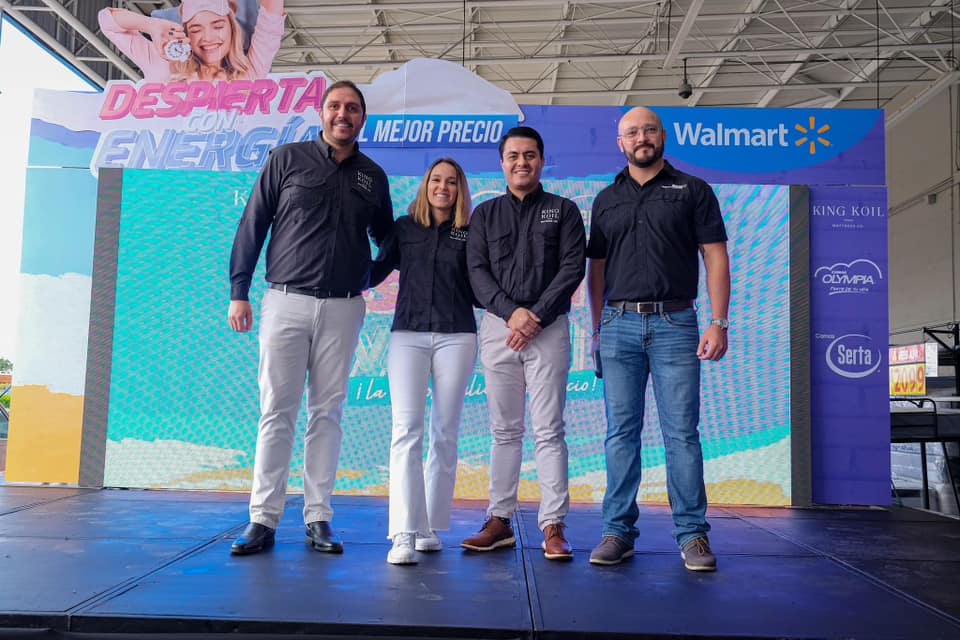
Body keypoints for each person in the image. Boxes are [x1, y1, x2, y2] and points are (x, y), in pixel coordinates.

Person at [227, 80, 394, 555]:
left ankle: (319, 517)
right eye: (335, 106)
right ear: (322, 113)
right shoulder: (287, 160)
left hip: (344, 307)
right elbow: (253, 223)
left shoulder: (372, 176)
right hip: (286, 301)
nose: (344, 114)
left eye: (353, 108)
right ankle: (262, 519)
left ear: (363, 118)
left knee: (327, 413)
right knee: (276, 411)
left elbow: (389, 238)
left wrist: (368, 276)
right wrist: (239, 292)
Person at [585, 107, 730, 571]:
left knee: (682, 435)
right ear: (620, 143)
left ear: (662, 136)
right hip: (618, 325)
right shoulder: (606, 199)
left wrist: (719, 322)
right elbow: (596, 270)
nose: (641, 138)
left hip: (676, 324)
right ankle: (617, 532)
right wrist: (597, 328)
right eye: (632, 132)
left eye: (649, 130)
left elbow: (715, 255)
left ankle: (693, 535)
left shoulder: (693, 190)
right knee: (620, 434)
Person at [463, 126, 586, 561]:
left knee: (549, 429)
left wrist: (534, 317)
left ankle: (553, 525)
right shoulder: (485, 214)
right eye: (513, 155)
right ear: (502, 163)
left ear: (541, 160)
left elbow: (572, 268)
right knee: (504, 431)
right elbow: (476, 271)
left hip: (548, 329)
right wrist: (511, 313)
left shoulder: (564, 210)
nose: (521, 162)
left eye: (529, 155)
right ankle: (499, 520)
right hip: (499, 327)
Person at [369, 158, 477, 565]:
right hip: (408, 336)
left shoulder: (471, 233)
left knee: (445, 433)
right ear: (425, 185)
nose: (443, 187)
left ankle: (429, 525)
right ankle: (402, 531)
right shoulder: (404, 228)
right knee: (406, 430)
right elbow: (375, 271)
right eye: (436, 180)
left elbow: (482, 285)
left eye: (451, 181)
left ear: (460, 189)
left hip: (457, 336)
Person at [98, 0, 284, 82]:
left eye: (218, 26)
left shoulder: (250, 71)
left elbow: (271, 19)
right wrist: (151, 25)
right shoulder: (165, 68)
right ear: (186, 33)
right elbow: (107, 20)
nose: (208, 37)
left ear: (232, 29)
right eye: (196, 29)